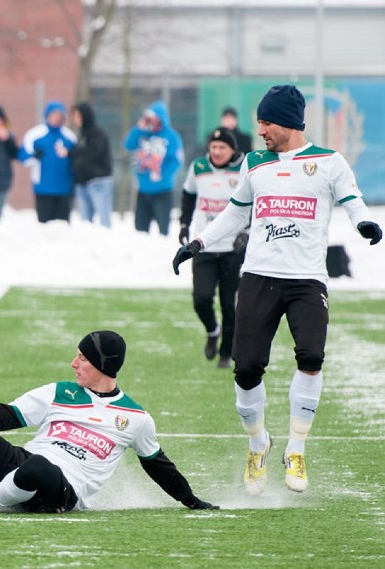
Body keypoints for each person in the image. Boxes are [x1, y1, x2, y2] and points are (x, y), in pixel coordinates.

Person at [172, 85, 382, 496]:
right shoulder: (254, 162)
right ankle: (258, 445)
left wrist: (364, 224)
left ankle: (297, 448)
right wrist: (197, 244)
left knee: (311, 356)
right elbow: (234, 215)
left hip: (306, 279)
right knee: (246, 367)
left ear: (287, 121)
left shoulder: (328, 162)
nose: (261, 130)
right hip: (259, 275)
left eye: (266, 122)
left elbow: (353, 199)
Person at [0, 330, 219, 513]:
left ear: (101, 364)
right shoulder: (60, 391)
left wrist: (191, 500)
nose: (73, 363)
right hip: (16, 470)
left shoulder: (136, 418)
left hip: (60, 492)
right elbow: (9, 415)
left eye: (82, 358)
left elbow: (160, 466)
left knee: (38, 466)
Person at [178, 127, 246, 369]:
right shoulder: (198, 167)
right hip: (204, 246)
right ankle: (212, 330)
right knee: (201, 298)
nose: (216, 152)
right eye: (213, 147)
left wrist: (247, 233)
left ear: (232, 149)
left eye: (222, 148)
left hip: (232, 249)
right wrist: (184, 224)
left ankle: (226, 354)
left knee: (230, 304)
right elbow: (188, 196)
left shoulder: (244, 169)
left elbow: (256, 204)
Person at [124, 101, 184, 236]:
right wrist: (138, 129)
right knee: (140, 230)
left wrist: (163, 175)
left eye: (152, 118)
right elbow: (128, 145)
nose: (149, 121)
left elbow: (177, 161)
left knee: (163, 231)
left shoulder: (171, 136)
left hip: (163, 190)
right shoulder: (142, 134)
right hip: (143, 189)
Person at [19, 101, 76, 223]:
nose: (57, 118)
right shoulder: (35, 134)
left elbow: (76, 159)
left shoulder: (70, 137)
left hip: (64, 189)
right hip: (43, 188)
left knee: (62, 226)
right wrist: (34, 156)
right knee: (44, 225)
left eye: (60, 115)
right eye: (54, 114)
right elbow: (22, 157)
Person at [69, 102, 114, 227]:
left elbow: (92, 151)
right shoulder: (81, 135)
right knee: (86, 222)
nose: (74, 119)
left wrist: (71, 153)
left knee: (104, 220)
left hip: (97, 182)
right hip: (82, 182)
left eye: (77, 116)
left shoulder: (98, 134)